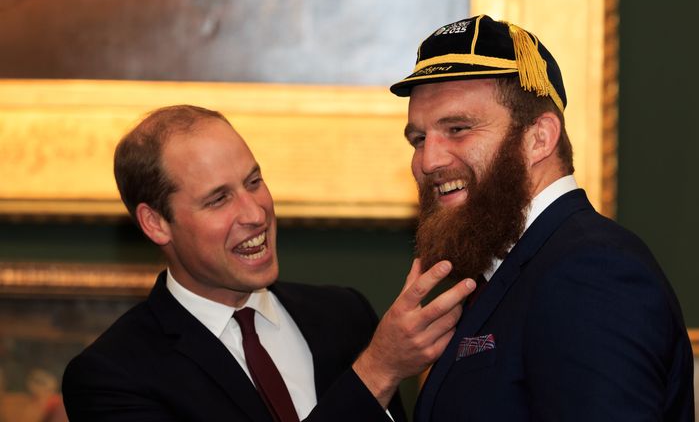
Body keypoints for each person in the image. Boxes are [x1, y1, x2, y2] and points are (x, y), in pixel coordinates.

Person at [62, 105, 476, 421]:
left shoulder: (344, 316)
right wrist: (377, 371)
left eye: (254, 182)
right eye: (219, 199)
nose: (255, 213)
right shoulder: (113, 377)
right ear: (156, 223)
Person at [390, 15, 695, 421]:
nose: (429, 160)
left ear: (539, 138)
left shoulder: (592, 272)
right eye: (419, 139)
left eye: (459, 128)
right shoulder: (514, 266)